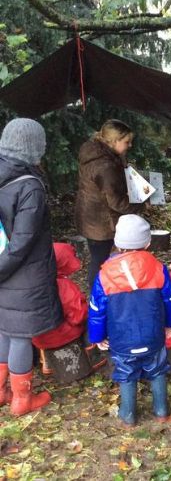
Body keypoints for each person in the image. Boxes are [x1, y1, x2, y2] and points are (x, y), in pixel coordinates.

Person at [88, 214, 171, 427]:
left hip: (121, 340)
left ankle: (128, 417)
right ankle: (161, 413)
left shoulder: (105, 274)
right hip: (153, 335)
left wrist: (97, 337)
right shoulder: (158, 268)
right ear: (148, 243)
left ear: (117, 243)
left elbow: (96, 309)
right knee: (157, 371)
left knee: (126, 375)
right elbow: (170, 300)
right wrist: (170, 324)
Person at [0, 118, 63, 416]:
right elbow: (22, 243)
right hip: (22, 274)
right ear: (34, 147)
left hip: (3, 270)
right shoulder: (30, 187)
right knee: (21, 335)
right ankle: (22, 399)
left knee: (3, 330)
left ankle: (1, 390)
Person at [75, 119, 145, 290]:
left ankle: (102, 289)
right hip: (100, 222)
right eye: (126, 142)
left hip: (90, 215)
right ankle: (97, 294)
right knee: (100, 259)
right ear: (113, 141)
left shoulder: (97, 152)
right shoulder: (105, 166)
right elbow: (117, 202)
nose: (129, 145)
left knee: (99, 256)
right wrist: (141, 206)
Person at [32, 243, 92, 376]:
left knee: (45, 332)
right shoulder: (65, 286)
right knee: (90, 317)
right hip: (63, 336)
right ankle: (90, 350)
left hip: (38, 337)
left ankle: (45, 360)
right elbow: (78, 316)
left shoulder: (32, 285)